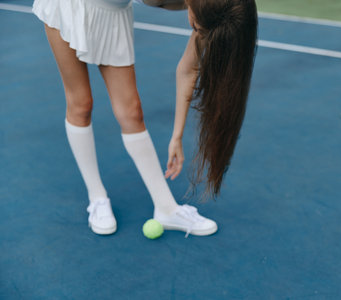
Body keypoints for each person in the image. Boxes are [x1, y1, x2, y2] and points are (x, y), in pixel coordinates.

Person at [32, 0, 258, 237]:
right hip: (70, 5)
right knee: (81, 104)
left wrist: (177, 136)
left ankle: (166, 208)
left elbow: (189, 69)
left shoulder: (212, 7)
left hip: (112, 11)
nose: (196, 31)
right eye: (198, 29)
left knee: (131, 112)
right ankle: (96, 196)